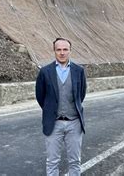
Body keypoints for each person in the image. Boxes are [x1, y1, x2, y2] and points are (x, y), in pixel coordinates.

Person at [35, 37, 87, 176]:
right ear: (54, 51)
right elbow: (41, 96)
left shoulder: (79, 71)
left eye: (65, 49)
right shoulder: (45, 72)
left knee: (75, 161)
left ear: (70, 51)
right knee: (52, 161)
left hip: (74, 122)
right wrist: (51, 110)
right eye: (59, 49)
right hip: (54, 123)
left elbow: (81, 95)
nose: (62, 52)